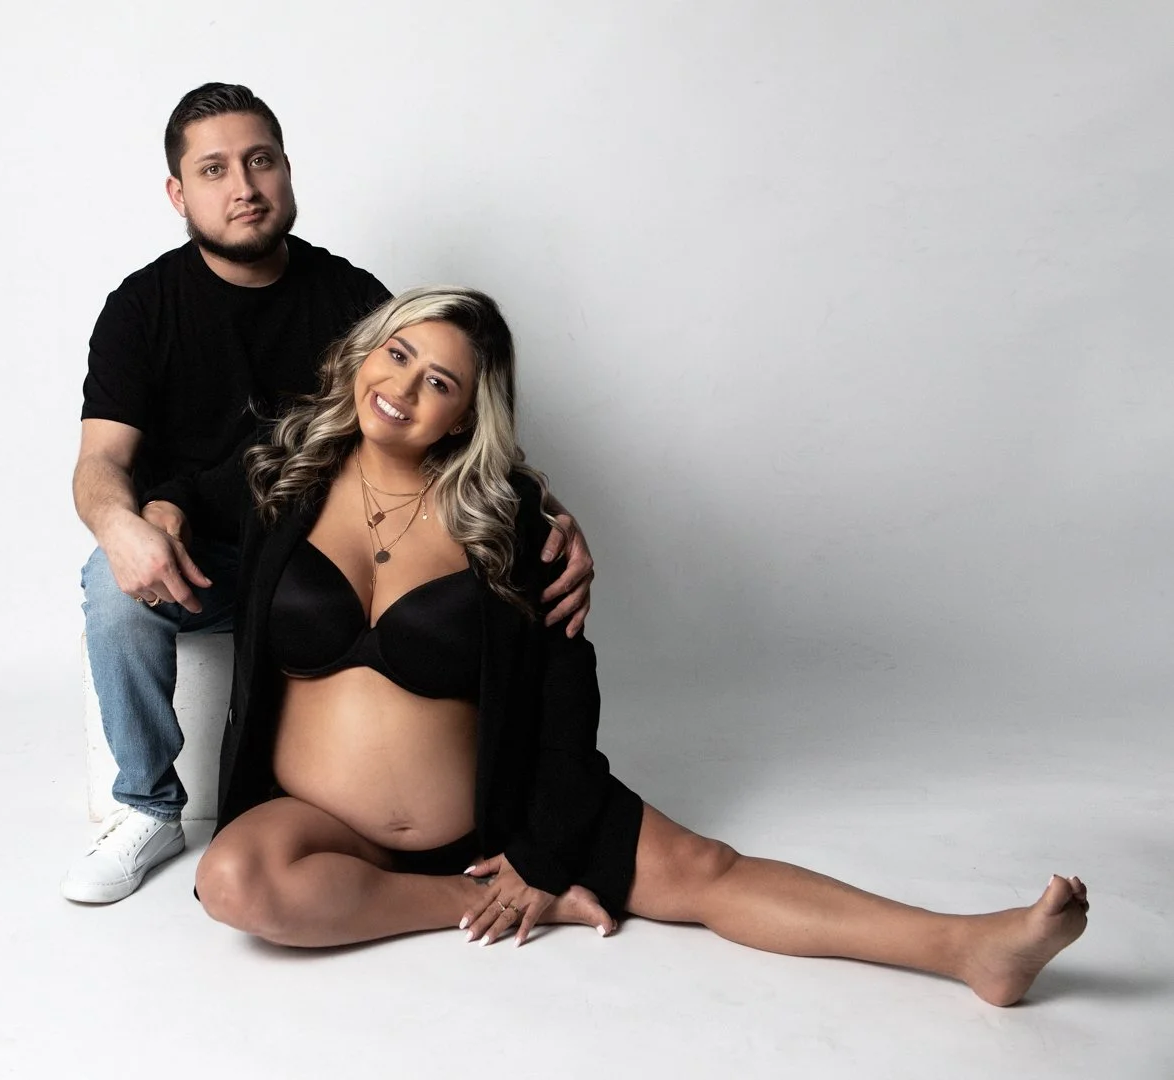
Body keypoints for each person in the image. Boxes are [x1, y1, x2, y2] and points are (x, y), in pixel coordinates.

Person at [186, 285, 1089, 1006]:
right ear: (364, 354)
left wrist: (541, 856)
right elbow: (173, 490)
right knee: (233, 883)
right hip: (320, 821)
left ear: (465, 417)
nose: (407, 387)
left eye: (441, 382)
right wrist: (144, 513)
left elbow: (566, 699)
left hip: (497, 814)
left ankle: (973, 948)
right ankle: (470, 904)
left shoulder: (510, 520)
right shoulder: (280, 475)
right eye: (400, 354)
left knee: (706, 872)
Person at [65, 86, 595, 904]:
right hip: (199, 555)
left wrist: (547, 517)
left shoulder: (350, 296)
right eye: (214, 170)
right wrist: (128, 522)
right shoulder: (143, 308)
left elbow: (443, 418)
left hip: (323, 561)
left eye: (260, 161)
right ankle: (148, 806)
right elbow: (100, 463)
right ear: (179, 194)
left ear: (285, 170)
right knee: (111, 586)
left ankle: (444, 808)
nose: (243, 186)